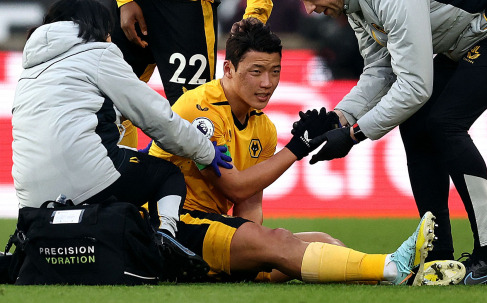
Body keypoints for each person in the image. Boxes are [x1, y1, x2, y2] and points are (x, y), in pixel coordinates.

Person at [275, 0, 487, 285]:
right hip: (469, 32)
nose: (310, 9)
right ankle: (438, 256)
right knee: (417, 122)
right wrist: (337, 117)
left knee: (444, 123)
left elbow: (415, 86)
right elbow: (379, 70)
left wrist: (354, 134)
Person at [149, 18, 465, 286]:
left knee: (321, 241)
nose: (267, 83)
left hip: (210, 228)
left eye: (275, 71)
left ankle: (403, 277)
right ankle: (392, 264)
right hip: (170, 226)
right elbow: (234, 186)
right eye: (256, 71)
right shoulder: (199, 108)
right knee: (278, 242)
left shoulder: (264, 128)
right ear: (228, 69)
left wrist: (255, 254)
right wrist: (298, 148)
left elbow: (249, 202)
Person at [11, 0, 233, 279]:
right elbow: (156, 118)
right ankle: (165, 240)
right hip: (88, 178)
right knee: (166, 174)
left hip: (31, 199)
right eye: (107, 29)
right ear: (93, 27)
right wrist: (206, 150)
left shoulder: (29, 70)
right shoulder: (97, 53)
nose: (110, 37)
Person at [103, 0, 274, 149]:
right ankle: (118, 182)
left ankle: (179, 187)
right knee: (109, 104)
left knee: (194, 121)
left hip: (190, 8)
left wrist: (256, 14)